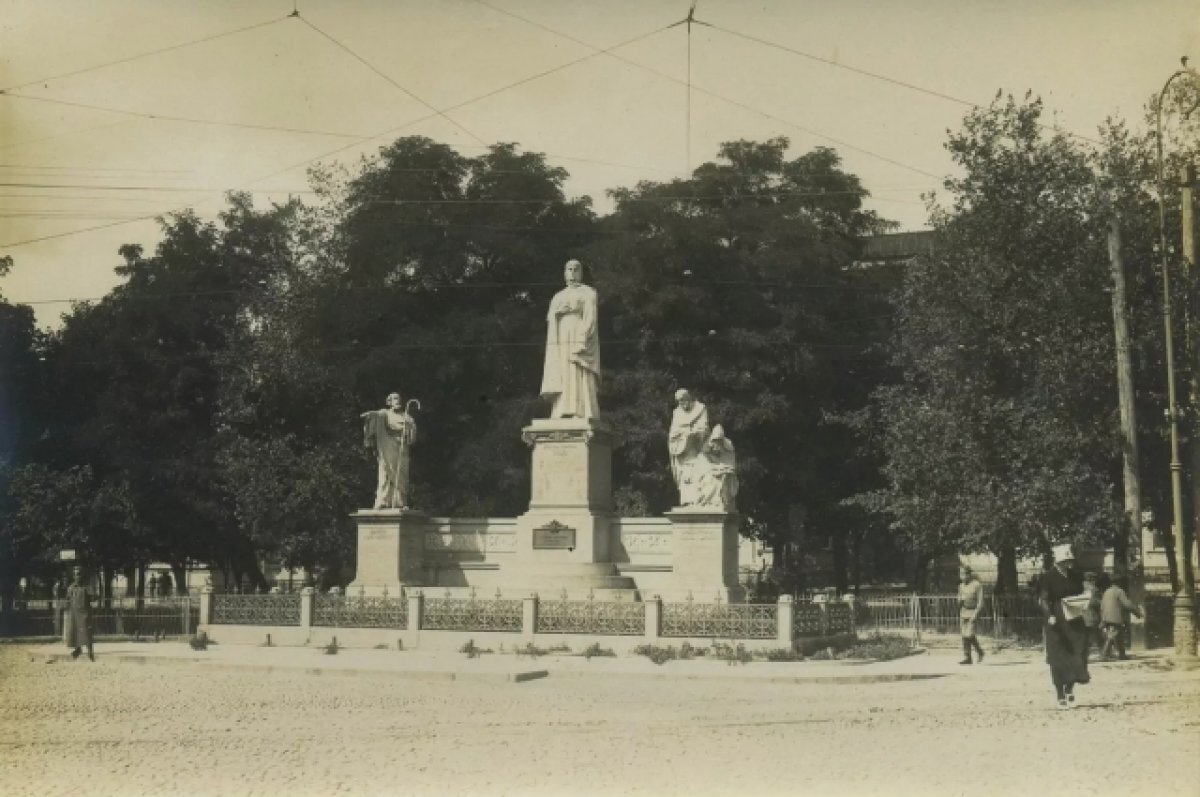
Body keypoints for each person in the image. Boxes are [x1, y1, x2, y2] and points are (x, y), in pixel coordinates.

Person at [539, 259, 600, 420]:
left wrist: (582, 339)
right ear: (565, 273)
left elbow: (590, 318)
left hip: (578, 333)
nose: (572, 273)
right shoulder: (558, 296)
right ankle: (560, 408)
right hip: (561, 337)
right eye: (569, 269)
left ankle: (581, 410)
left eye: (576, 269)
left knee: (578, 368)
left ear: (581, 273)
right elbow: (550, 317)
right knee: (563, 370)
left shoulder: (588, 292)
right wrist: (557, 313)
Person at [1039, 544, 1090, 708]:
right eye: (1066, 560)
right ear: (1059, 561)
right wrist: (1050, 616)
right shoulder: (1048, 577)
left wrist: (1085, 601)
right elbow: (1044, 600)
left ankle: (1070, 688)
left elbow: (1081, 593)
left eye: (1070, 560)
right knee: (1059, 656)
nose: (1070, 563)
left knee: (1079, 651)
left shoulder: (1076, 575)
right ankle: (1060, 693)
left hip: (1074, 617)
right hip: (1057, 619)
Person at [361, 392, 418, 509]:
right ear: (390, 402)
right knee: (385, 473)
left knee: (401, 475)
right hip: (387, 447)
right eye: (395, 399)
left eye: (399, 398)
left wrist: (410, 428)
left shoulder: (407, 417)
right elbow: (376, 416)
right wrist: (371, 416)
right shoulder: (385, 414)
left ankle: (400, 502)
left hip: (401, 450)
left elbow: (412, 436)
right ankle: (383, 501)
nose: (397, 401)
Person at [668, 389, 709, 505]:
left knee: (698, 472)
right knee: (685, 476)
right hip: (682, 450)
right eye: (679, 402)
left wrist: (695, 432)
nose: (681, 404)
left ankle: (699, 500)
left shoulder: (700, 408)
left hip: (698, 448)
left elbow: (704, 427)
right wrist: (682, 434)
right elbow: (673, 432)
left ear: (688, 398)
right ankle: (688, 501)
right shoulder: (677, 412)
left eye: (683, 400)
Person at [691, 425, 739, 511]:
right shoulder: (703, 455)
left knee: (726, 477)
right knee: (712, 481)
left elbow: (731, 465)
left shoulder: (728, 452)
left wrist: (725, 469)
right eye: (715, 443)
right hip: (706, 478)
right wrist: (717, 470)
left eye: (719, 443)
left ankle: (722, 500)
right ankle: (712, 501)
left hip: (724, 477)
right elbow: (704, 469)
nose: (716, 447)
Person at [1100, 576, 1142, 661]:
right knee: (1112, 635)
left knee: (1119, 636)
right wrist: (1137, 613)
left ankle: (1122, 655)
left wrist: (1103, 618)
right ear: (1119, 583)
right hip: (1115, 617)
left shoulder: (1106, 591)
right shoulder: (1119, 591)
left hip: (1106, 616)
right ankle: (1104, 655)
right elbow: (1127, 604)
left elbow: (1102, 605)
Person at [62, 567, 95, 662]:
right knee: (74, 632)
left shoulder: (86, 587)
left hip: (84, 613)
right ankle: (78, 649)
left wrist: (92, 595)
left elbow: (93, 598)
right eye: (76, 574)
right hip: (74, 614)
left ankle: (90, 651)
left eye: (79, 574)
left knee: (86, 632)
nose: (78, 576)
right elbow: (68, 599)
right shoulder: (71, 588)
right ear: (74, 576)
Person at [957, 565, 985, 665]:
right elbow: (959, 600)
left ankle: (980, 652)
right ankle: (967, 657)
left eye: (963, 574)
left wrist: (976, 614)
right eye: (960, 574)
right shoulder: (961, 586)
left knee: (969, 634)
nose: (961, 576)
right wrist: (959, 600)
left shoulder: (977, 585)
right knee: (964, 635)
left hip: (973, 612)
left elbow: (980, 602)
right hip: (964, 612)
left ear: (969, 574)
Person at [1080, 571, 1102, 666]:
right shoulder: (1093, 589)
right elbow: (1094, 602)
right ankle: (1103, 654)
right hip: (1091, 615)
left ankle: (1082, 657)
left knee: (1084, 637)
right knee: (1093, 637)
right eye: (1094, 579)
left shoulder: (1080, 588)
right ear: (1092, 579)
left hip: (1081, 615)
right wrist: (1101, 602)